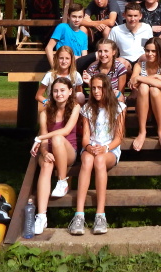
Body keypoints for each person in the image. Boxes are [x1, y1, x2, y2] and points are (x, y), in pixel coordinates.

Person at [68, 73, 126, 236]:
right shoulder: (87, 108)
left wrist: (105, 148)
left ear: (107, 88)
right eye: (93, 88)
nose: (96, 91)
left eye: (100, 88)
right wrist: (88, 147)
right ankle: (79, 215)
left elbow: (118, 137)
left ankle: (100, 215)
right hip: (91, 147)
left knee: (99, 161)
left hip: (109, 149)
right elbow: (86, 137)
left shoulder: (119, 108)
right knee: (87, 161)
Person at [30, 76, 81, 235]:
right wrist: (45, 152)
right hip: (50, 150)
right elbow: (45, 140)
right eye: (56, 91)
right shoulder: (45, 112)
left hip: (68, 151)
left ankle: (62, 181)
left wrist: (39, 138)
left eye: (63, 90)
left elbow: (65, 131)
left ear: (70, 91)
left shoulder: (75, 107)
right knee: (46, 165)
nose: (59, 94)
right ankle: (41, 216)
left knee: (58, 138)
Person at [129, 36, 161, 151]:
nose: (150, 54)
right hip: (144, 108)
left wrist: (140, 78)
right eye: (147, 50)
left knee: (154, 89)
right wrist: (156, 77)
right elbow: (133, 82)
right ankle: (142, 131)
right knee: (143, 87)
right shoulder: (139, 65)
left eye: (154, 51)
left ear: (160, 52)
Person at [110, 2, 153, 70]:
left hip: (141, 58)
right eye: (130, 16)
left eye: (135, 16)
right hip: (125, 59)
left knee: (148, 58)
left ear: (140, 16)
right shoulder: (116, 30)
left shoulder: (147, 28)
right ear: (124, 15)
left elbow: (152, 47)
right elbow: (109, 48)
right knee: (119, 62)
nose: (132, 19)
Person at [44, 3, 88, 67]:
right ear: (68, 16)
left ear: (83, 17)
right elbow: (49, 47)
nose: (77, 20)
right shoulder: (62, 27)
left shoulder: (83, 36)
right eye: (74, 16)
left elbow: (84, 57)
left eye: (80, 17)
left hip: (76, 67)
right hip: (62, 64)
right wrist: (54, 67)